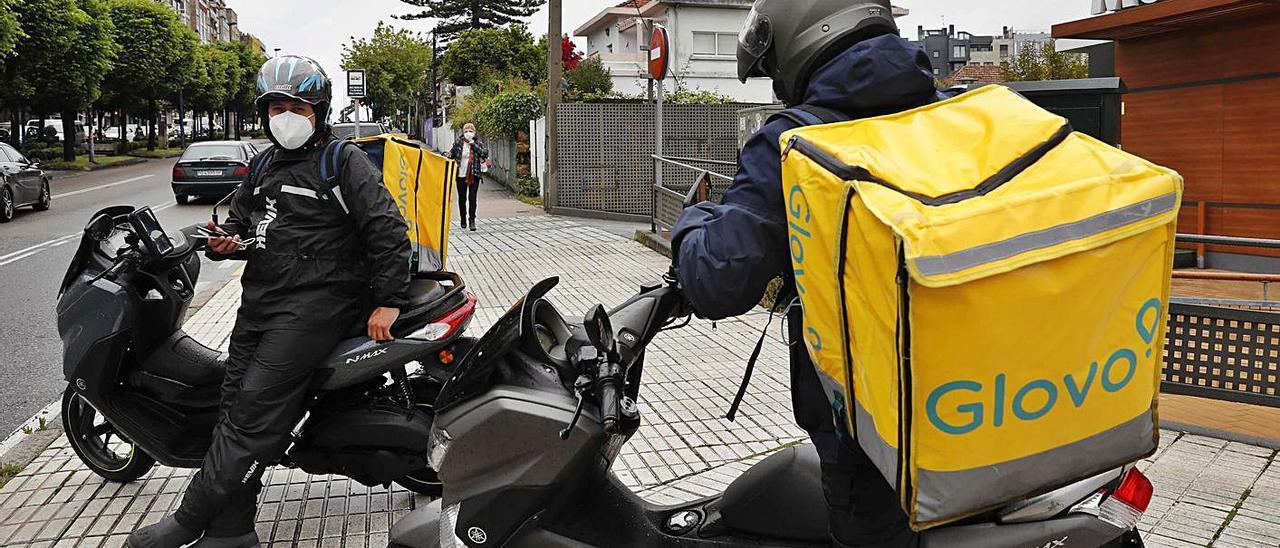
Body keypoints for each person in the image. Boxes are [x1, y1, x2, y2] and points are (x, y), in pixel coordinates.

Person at [671, 2, 946, 547]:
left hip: (874, 438)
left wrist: (694, 219)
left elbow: (718, 279)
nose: (776, 82)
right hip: (983, 404)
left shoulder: (798, 143)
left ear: (802, 36)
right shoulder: (956, 116)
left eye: (772, 67)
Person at [127, 56, 412, 548]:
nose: (285, 116)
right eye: (276, 106)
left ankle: (189, 521)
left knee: (250, 419)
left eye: (296, 106)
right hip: (260, 303)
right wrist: (227, 239)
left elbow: (386, 228)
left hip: (317, 306)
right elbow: (242, 221)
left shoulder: (342, 161)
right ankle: (232, 530)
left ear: (318, 110)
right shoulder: (261, 164)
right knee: (231, 411)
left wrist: (389, 299)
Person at [448, 123, 488, 231]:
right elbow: (452, 153)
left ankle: (472, 220)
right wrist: (447, 154)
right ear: (463, 132)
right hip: (461, 175)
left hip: (474, 174)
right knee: (462, 198)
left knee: (472, 198)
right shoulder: (458, 143)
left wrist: (473, 144)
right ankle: (463, 219)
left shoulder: (478, 143)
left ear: (474, 132)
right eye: (466, 131)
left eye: (470, 131)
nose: (468, 133)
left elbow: (484, 153)